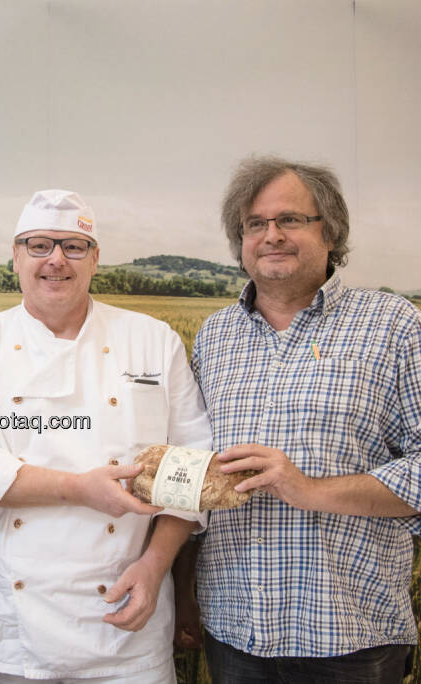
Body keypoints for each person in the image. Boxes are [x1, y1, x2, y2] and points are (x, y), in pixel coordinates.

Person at [0, 189, 211, 683]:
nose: (56, 259)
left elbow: (192, 469)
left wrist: (154, 566)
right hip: (15, 632)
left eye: (73, 246)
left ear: (95, 258)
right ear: (16, 257)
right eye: (39, 245)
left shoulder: (154, 341)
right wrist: (75, 488)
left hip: (127, 615)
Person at [186, 156, 421, 682]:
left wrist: (309, 489)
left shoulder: (394, 325)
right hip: (234, 629)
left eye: (290, 219)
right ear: (240, 241)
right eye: (255, 224)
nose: (272, 235)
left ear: (330, 232)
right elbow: (198, 475)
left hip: (351, 637)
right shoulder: (214, 337)